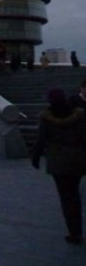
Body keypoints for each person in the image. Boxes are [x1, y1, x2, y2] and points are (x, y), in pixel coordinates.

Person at [31, 88, 86, 244]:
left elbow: (40, 140)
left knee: (66, 197)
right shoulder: (78, 115)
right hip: (77, 160)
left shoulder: (46, 117)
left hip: (58, 162)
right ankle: (78, 229)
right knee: (74, 195)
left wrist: (35, 158)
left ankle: (74, 233)